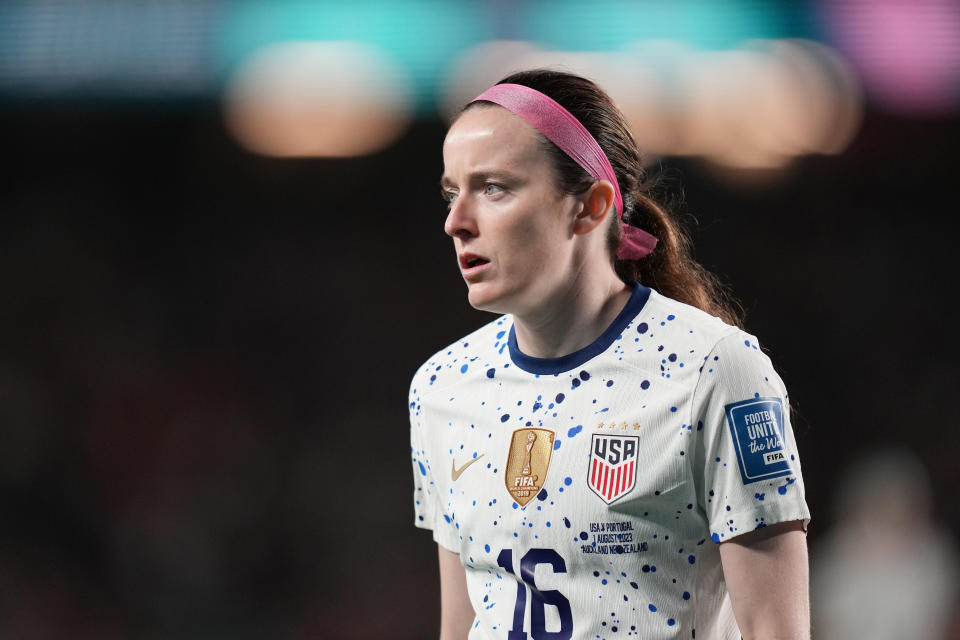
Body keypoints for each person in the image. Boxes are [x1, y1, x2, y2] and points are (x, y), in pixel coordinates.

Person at [409, 69, 810, 640]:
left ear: (591, 207)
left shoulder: (715, 371)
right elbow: (462, 623)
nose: (456, 222)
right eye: (453, 192)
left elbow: (777, 629)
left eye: (493, 187)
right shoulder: (441, 387)